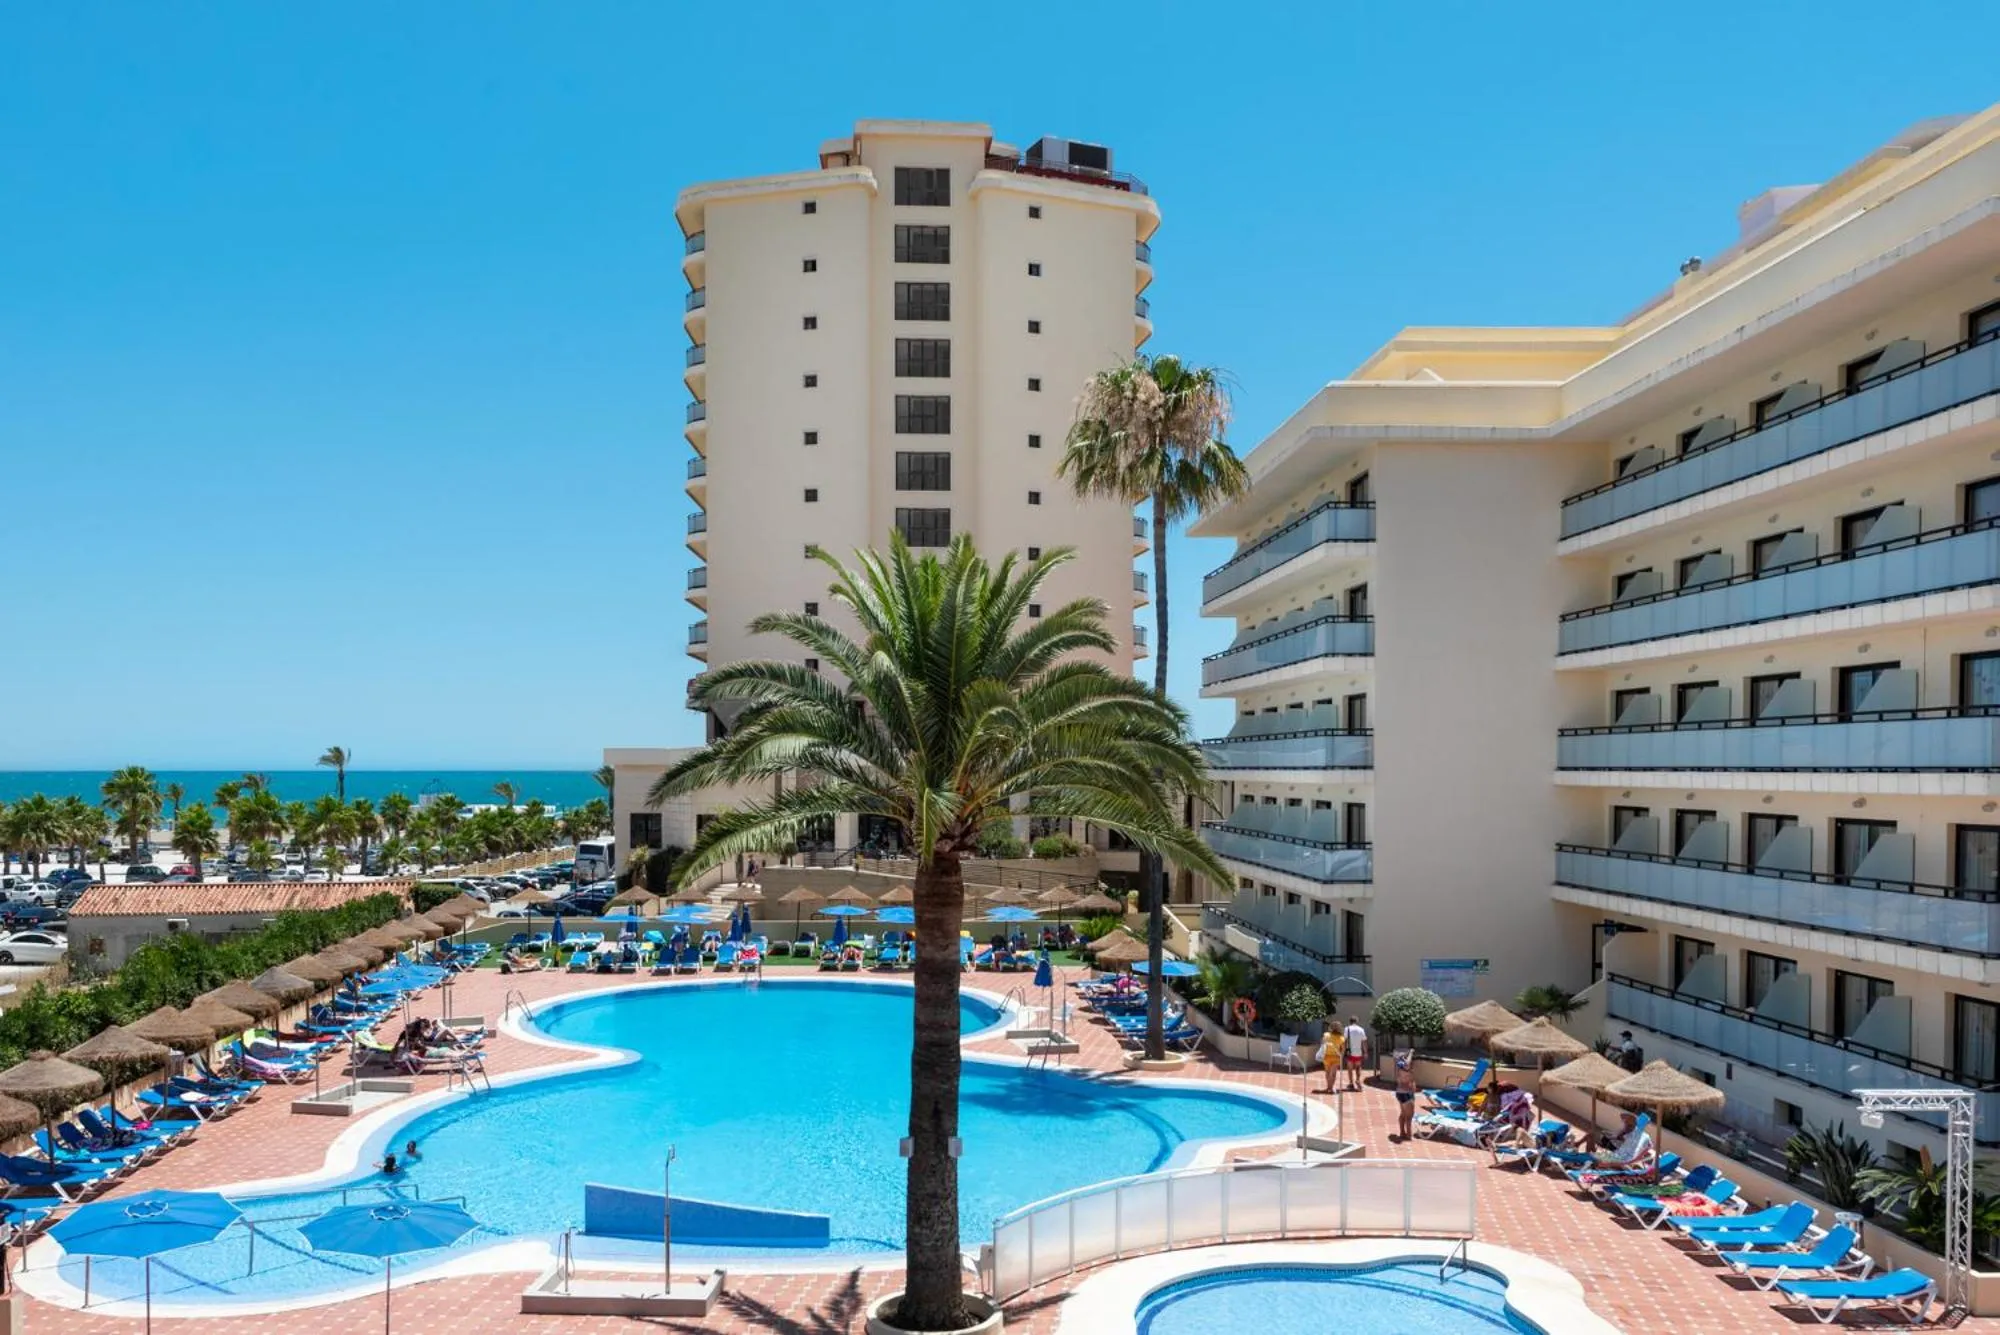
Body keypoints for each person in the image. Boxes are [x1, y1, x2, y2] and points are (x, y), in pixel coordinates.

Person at [1393, 1050, 1418, 1140]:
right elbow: (1407, 1063)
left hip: (1399, 1093)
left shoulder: (1398, 1069)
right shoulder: (1405, 1069)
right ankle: (1409, 1135)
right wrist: (1411, 1052)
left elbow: (1406, 1063)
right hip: (1407, 1093)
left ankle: (1402, 1132)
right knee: (1409, 1116)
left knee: (1403, 1113)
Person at [1342, 1016, 1370, 1090]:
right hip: (1358, 1052)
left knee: (1350, 1068)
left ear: (1350, 1021)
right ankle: (1357, 1079)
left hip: (1349, 1053)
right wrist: (1365, 1052)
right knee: (1358, 1067)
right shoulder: (1361, 1029)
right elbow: (1364, 1042)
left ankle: (1351, 1083)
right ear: (1356, 1021)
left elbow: (1344, 1041)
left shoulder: (1347, 1029)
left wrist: (1342, 1052)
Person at [1317, 1026, 1345, 1093]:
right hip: (1336, 1057)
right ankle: (1331, 1087)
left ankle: (1328, 1087)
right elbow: (1343, 1049)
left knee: (1327, 1072)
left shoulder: (1326, 1035)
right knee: (1333, 1073)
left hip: (1327, 1056)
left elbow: (1322, 1043)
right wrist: (1342, 1057)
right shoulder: (1341, 1038)